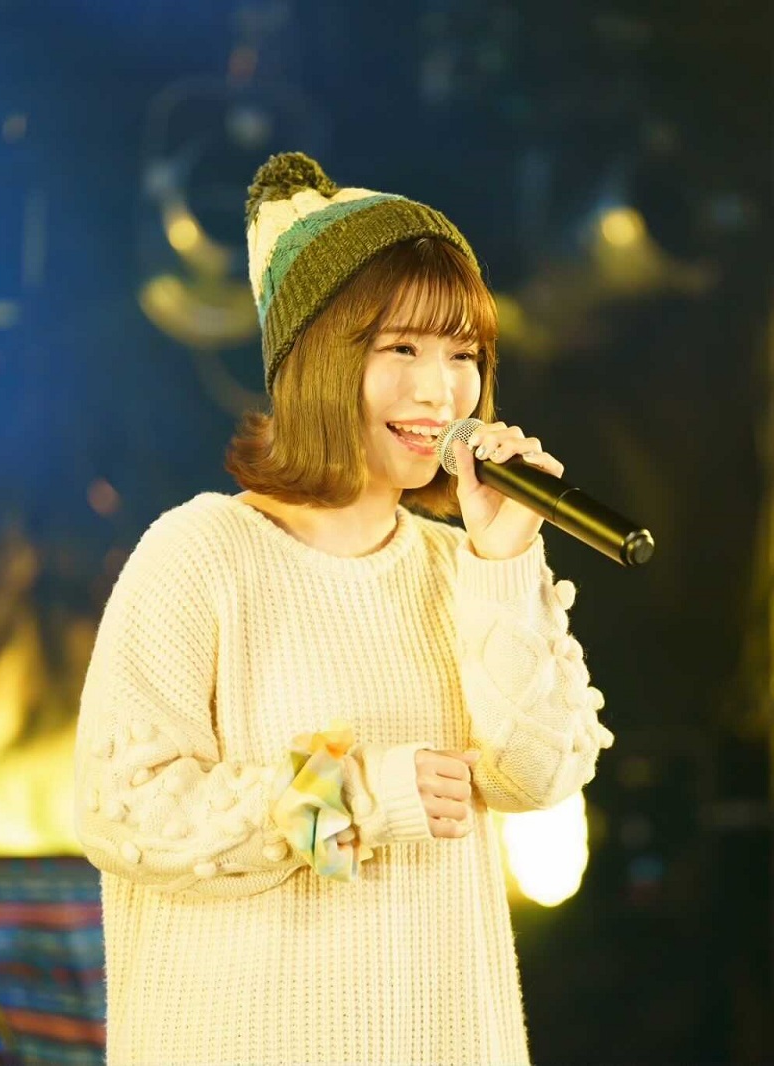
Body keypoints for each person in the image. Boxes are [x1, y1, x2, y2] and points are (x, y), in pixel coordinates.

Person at [74, 151, 613, 1065]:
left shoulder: (463, 565)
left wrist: (502, 557)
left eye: (463, 355)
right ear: (318, 357)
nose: (440, 390)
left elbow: (538, 776)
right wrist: (357, 795)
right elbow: (125, 810)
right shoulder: (201, 553)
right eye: (401, 349)